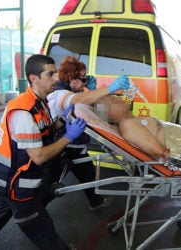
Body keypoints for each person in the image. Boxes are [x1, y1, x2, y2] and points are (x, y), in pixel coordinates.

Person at [0, 54, 87, 249]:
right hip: (17, 183)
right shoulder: (23, 112)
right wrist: (69, 137)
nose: (57, 78)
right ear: (34, 78)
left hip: (9, 179)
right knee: (41, 228)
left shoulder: (39, 102)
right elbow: (39, 156)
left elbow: (45, 129)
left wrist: (65, 119)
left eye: (56, 73)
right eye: (50, 74)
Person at [47, 56, 131, 210]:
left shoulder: (71, 92)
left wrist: (91, 90)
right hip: (63, 146)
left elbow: (101, 113)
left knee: (86, 171)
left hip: (74, 144)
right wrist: (111, 87)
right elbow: (77, 99)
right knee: (48, 186)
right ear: (72, 80)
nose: (85, 82)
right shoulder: (60, 95)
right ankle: (32, 208)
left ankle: (96, 201)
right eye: (83, 79)